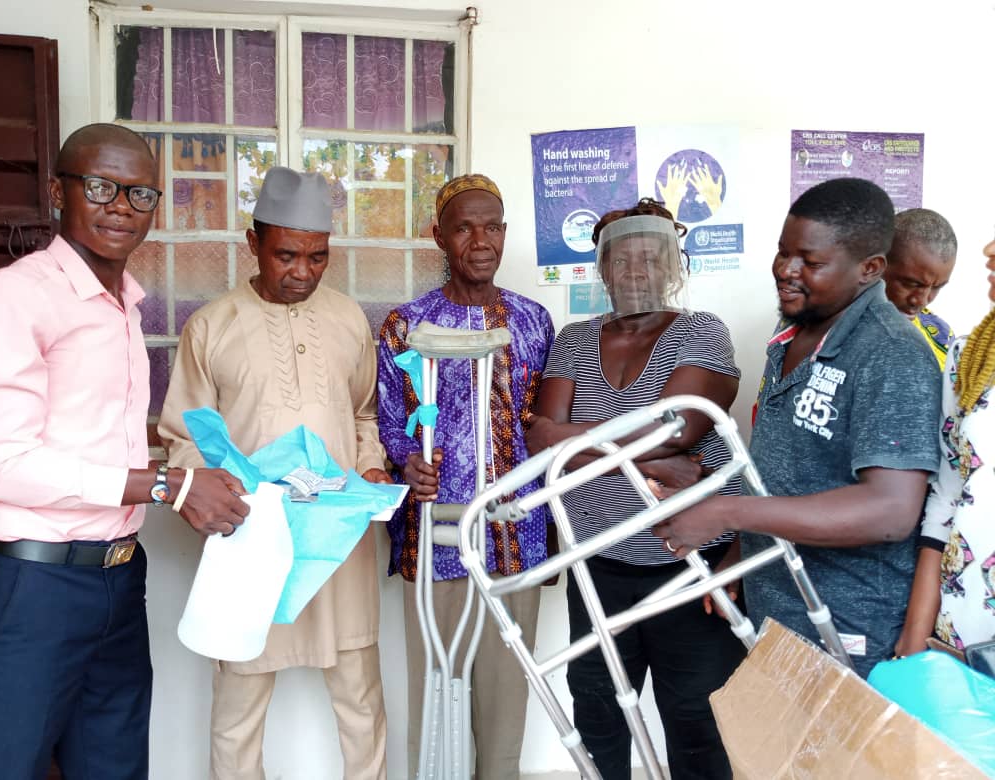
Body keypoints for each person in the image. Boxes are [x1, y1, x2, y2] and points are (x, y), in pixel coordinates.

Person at [0, 123, 249, 780]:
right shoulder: (14, 297)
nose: (121, 206)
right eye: (100, 187)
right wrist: (168, 484)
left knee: (114, 767)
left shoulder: (125, 306)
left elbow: (95, 440)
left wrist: (194, 480)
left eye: (140, 193)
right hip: (29, 589)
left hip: (118, 579)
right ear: (58, 192)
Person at [653, 177, 943, 677]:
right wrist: (740, 554)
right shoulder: (793, 330)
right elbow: (786, 469)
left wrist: (728, 514)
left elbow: (891, 510)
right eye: (784, 253)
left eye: (810, 262)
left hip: (847, 625)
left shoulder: (892, 354)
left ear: (870, 269)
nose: (786, 271)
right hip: (778, 603)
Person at [158, 167, 390, 780]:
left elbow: (364, 414)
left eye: (318, 257)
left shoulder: (348, 319)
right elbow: (183, 436)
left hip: (337, 539)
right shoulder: (212, 326)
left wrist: (369, 467)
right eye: (286, 255)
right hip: (251, 540)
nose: (303, 272)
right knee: (239, 701)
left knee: (360, 697)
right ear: (253, 244)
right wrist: (216, 500)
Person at [525, 197, 746, 780]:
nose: (635, 272)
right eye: (621, 260)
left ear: (673, 265)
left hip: (691, 564)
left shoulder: (701, 331)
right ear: (602, 270)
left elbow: (679, 428)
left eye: (651, 258)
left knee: (697, 720)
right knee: (598, 715)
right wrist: (659, 466)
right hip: (598, 565)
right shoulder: (574, 340)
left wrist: (569, 437)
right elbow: (542, 447)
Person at [377, 174, 554, 780]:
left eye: (493, 227)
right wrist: (407, 460)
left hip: (515, 532)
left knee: (506, 701)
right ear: (439, 236)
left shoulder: (533, 320)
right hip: (436, 534)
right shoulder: (405, 325)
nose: (481, 242)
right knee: (436, 696)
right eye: (465, 228)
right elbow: (390, 419)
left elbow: (544, 421)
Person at [895, 238, 995, 656]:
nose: (989, 252)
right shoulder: (968, 358)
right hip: (965, 627)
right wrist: (915, 636)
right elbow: (948, 496)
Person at [883, 207, 957, 369]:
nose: (921, 301)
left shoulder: (941, 335)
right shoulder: (836, 328)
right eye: (911, 284)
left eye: (936, 287)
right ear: (877, 265)